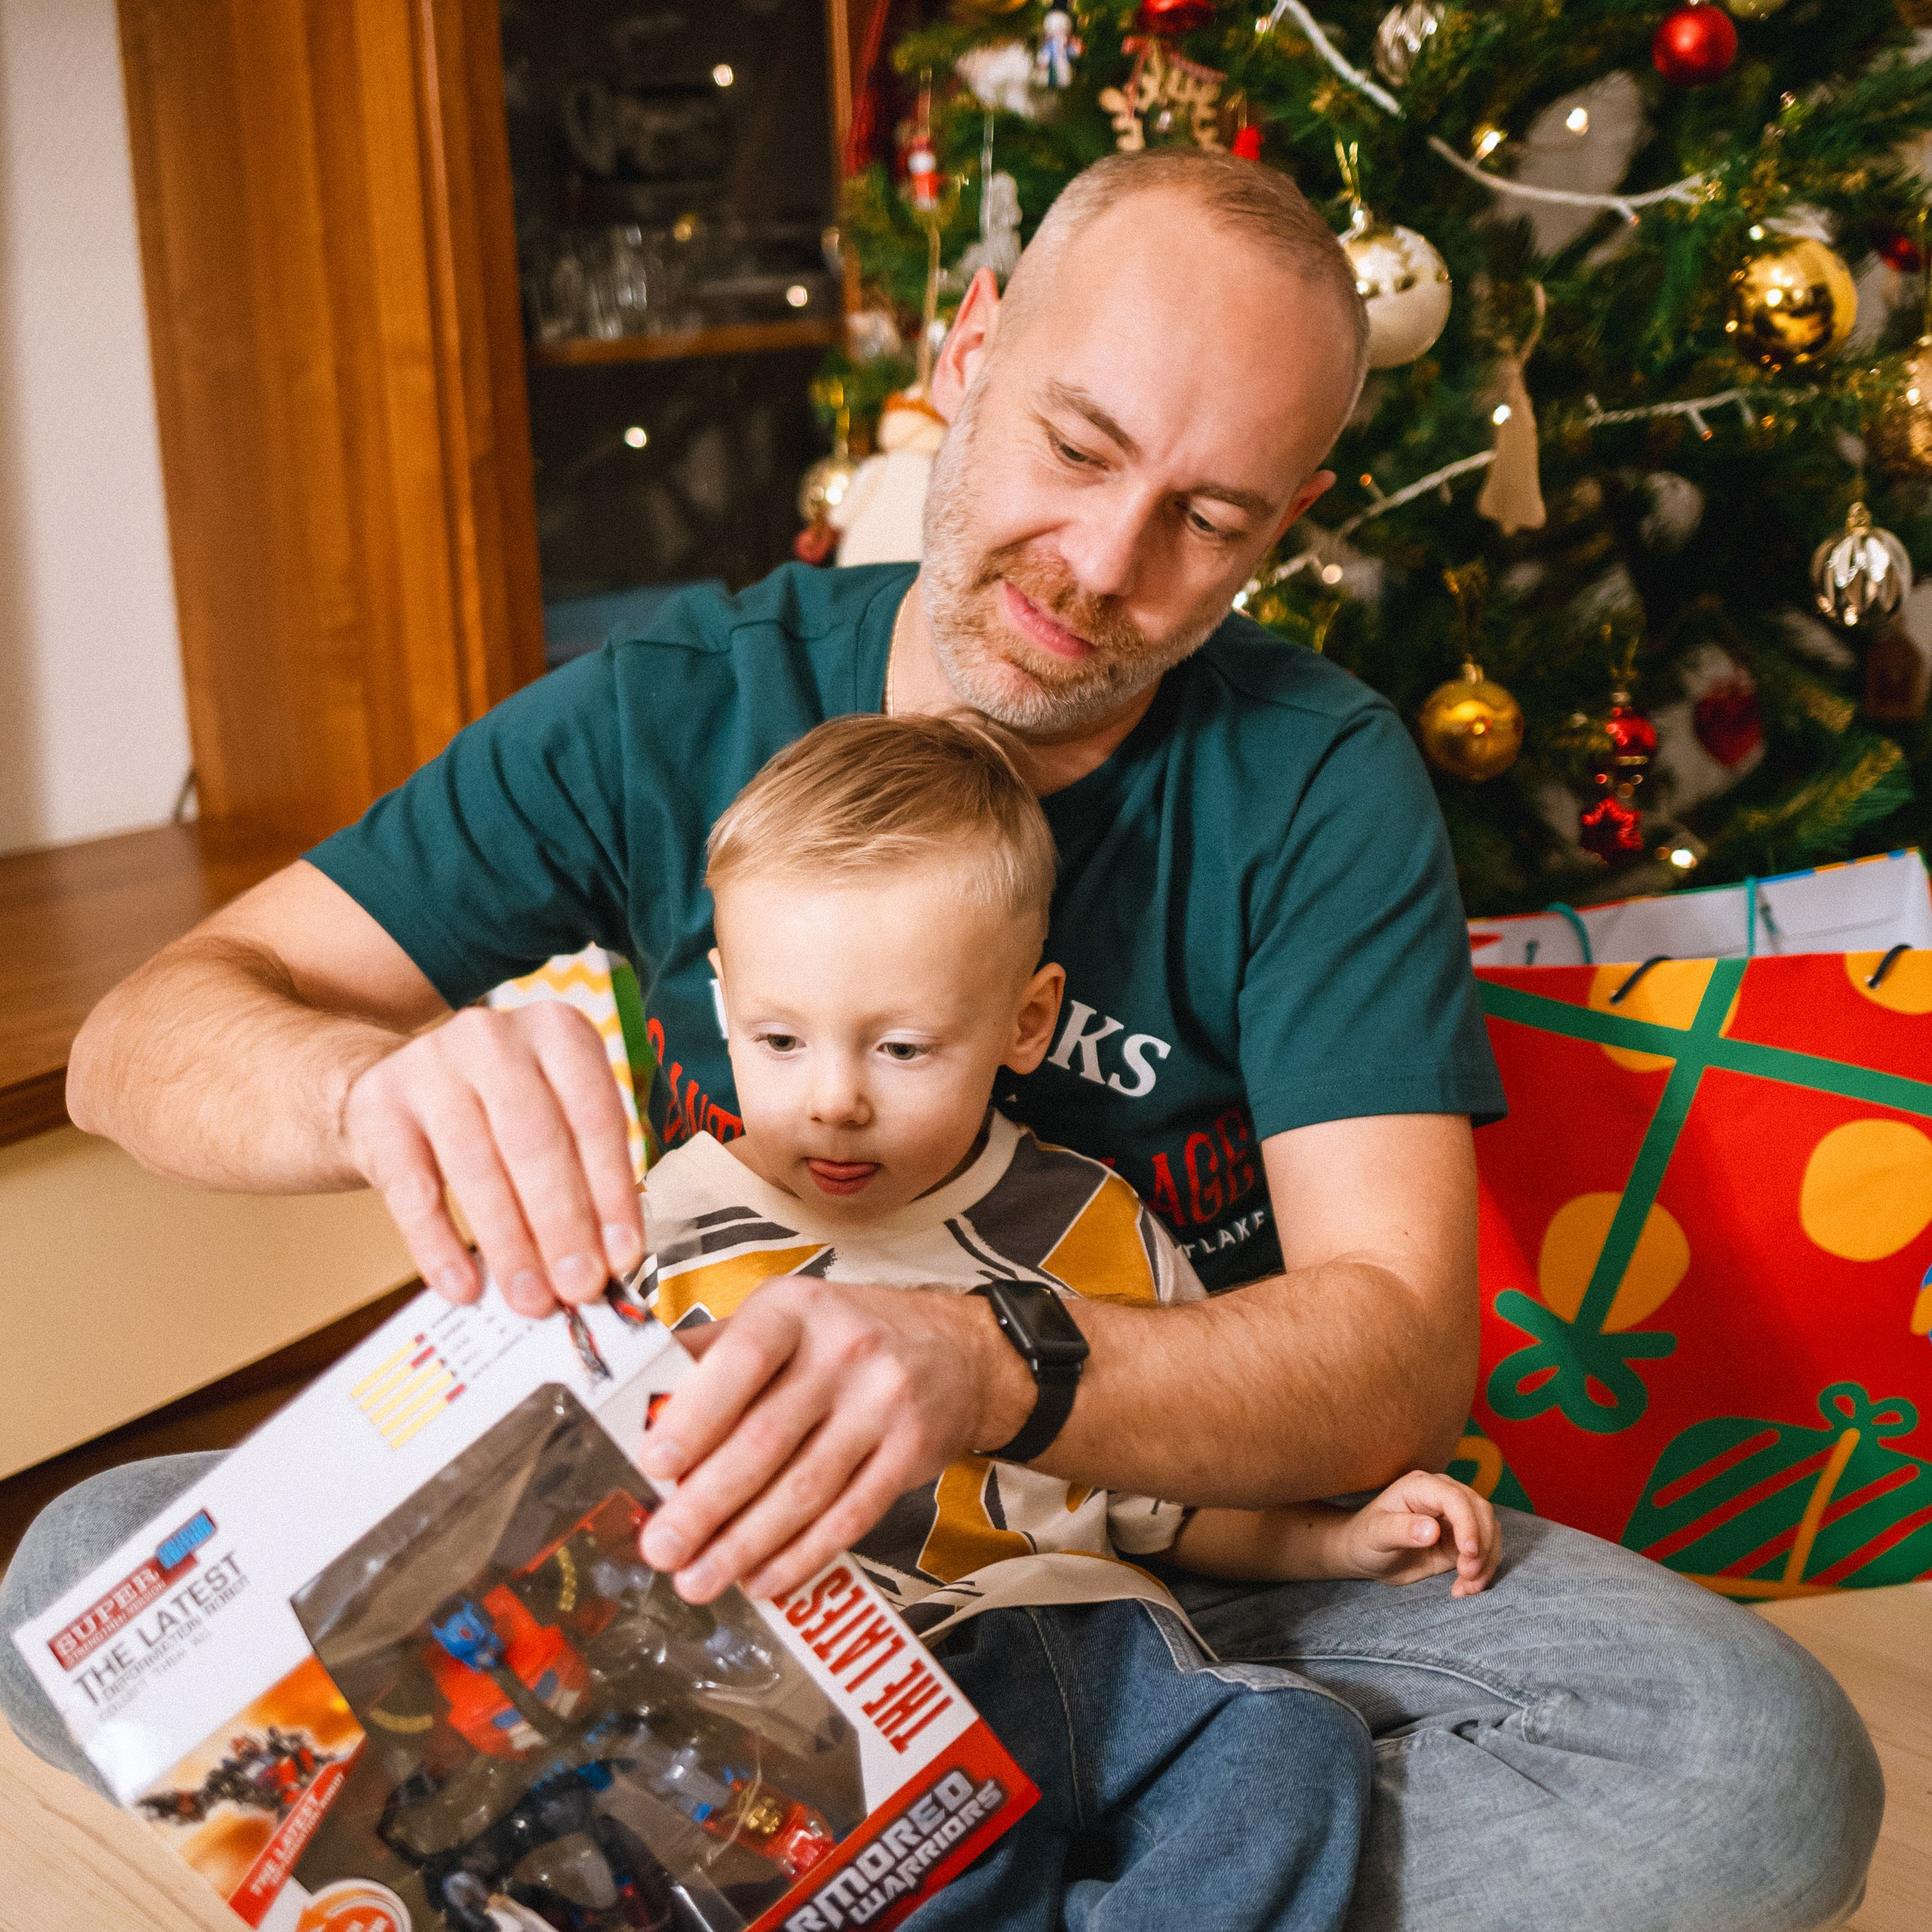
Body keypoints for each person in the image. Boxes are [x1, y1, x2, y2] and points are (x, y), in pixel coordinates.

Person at [5, 149, 1879, 1928]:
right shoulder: (673, 710)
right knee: (92, 1577)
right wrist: (367, 1080)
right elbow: (144, 1040)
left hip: (1158, 1575)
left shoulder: (1309, 774)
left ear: (1284, 525)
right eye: (1075, 446)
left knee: (1744, 1767)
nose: (1099, 561)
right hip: (725, 1594)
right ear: (967, 345)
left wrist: (992, 1369)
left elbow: (1393, 1351)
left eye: (1206, 519)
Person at [638, 707, 1503, 1930]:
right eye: (778, 1040)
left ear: (1026, 1024)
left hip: (1113, 1654)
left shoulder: (1086, 1218)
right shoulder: (664, 1233)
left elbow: (1178, 1506)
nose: (833, 1101)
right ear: (722, 1001)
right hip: (874, 1694)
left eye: (900, 1047)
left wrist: (1334, 1543)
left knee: (1294, 1750)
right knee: (912, 1862)